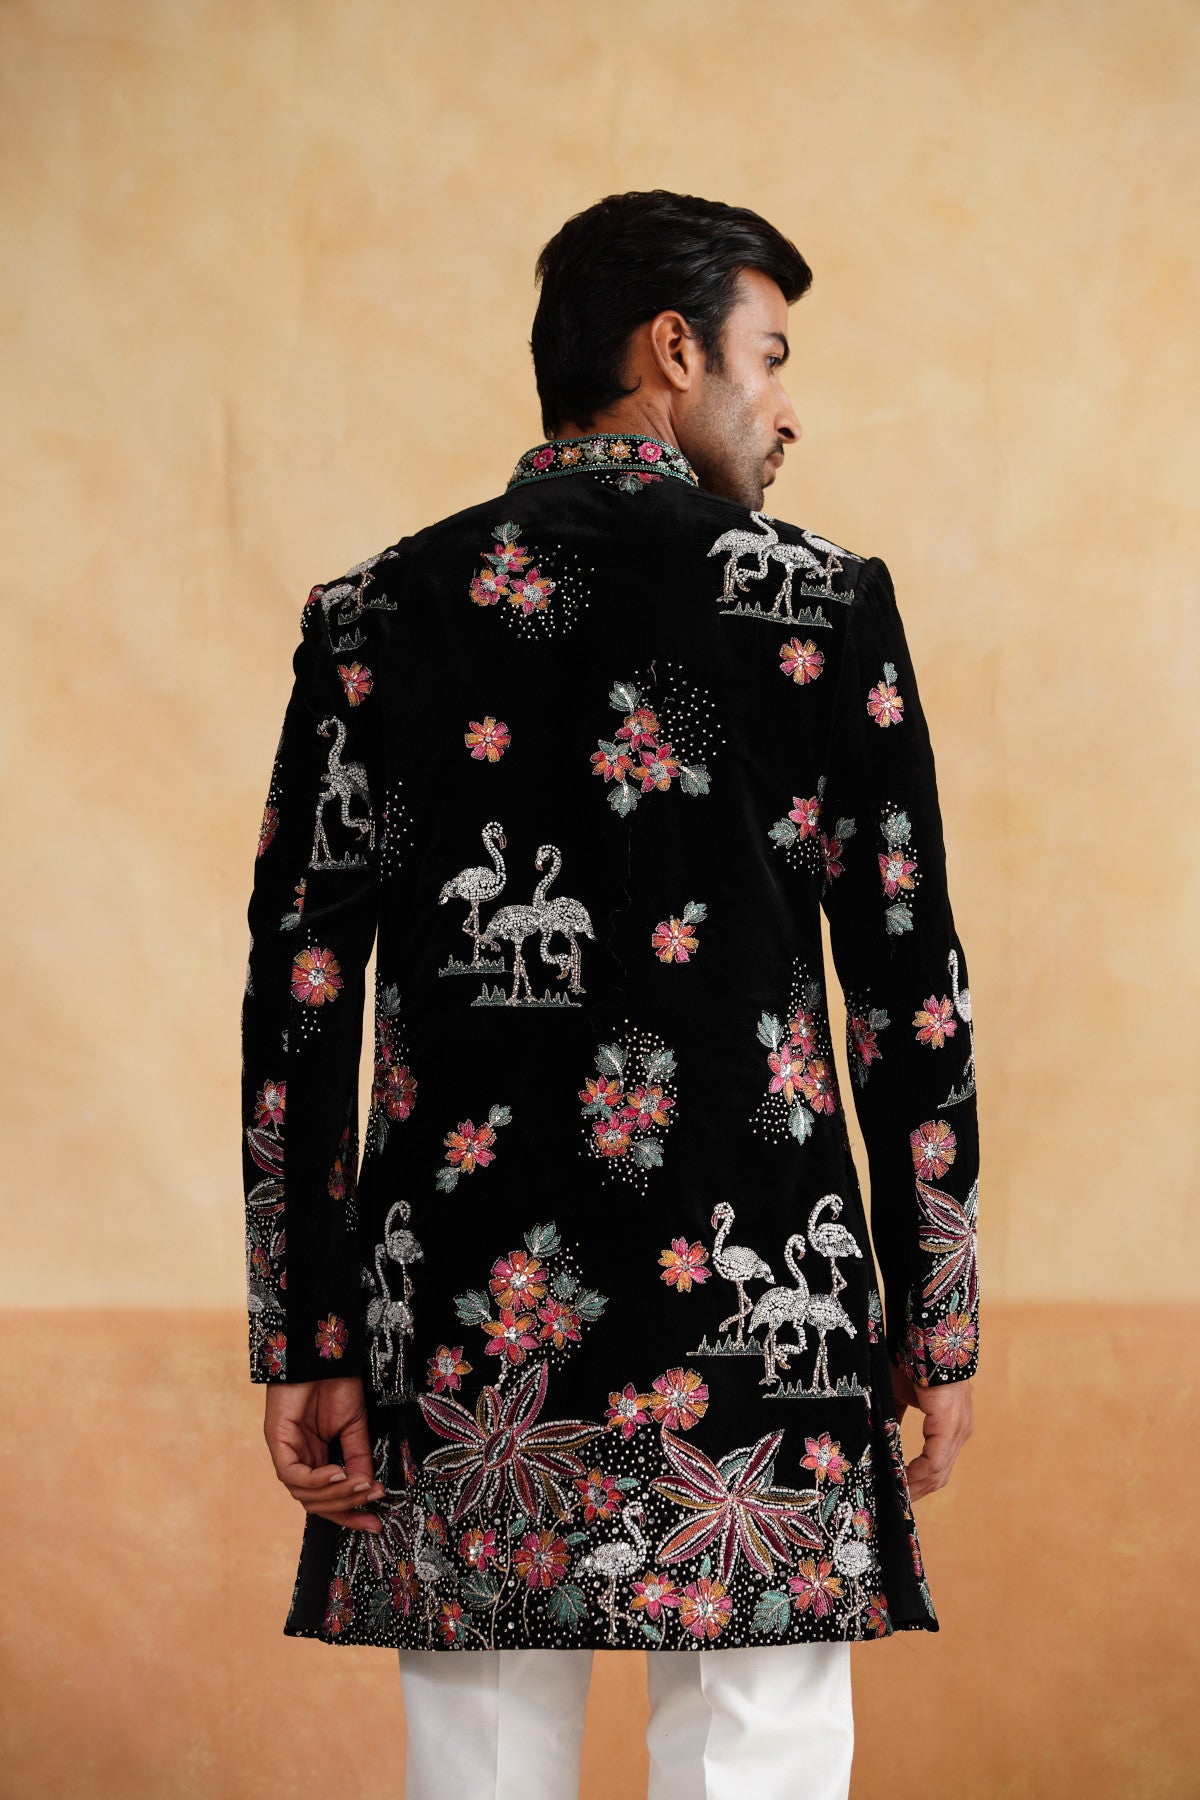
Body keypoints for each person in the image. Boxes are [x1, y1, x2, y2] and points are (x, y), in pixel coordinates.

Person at [240, 189, 979, 1800]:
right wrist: (937, 1306)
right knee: (758, 1754)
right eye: (769, 356)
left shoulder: (375, 616)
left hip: (462, 1314)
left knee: (484, 1754)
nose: (787, 406)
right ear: (673, 350)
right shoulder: (823, 601)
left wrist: (306, 1326)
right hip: (759, 1319)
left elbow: (300, 995)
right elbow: (907, 982)